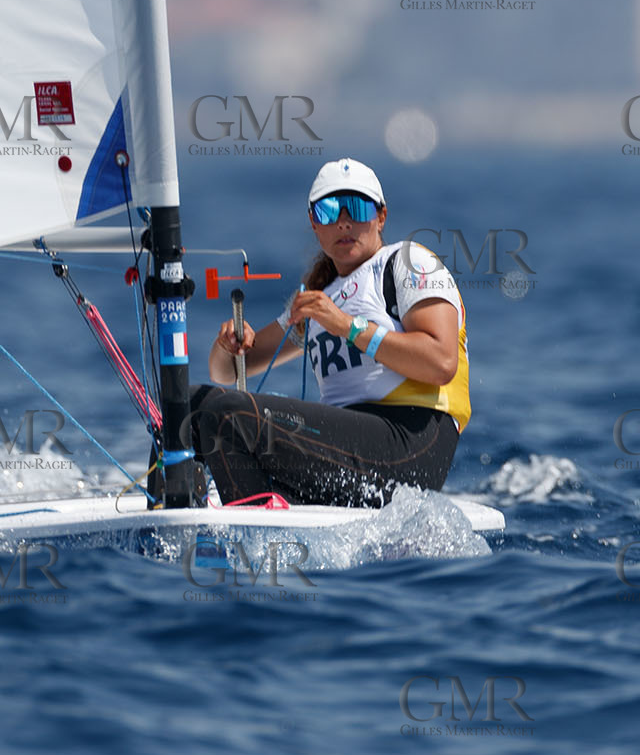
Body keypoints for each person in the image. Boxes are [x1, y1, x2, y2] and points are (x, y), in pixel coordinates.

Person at [186, 158, 470, 507]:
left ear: (380, 217)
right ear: (313, 223)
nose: (343, 222)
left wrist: (348, 328)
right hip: (343, 453)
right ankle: (180, 523)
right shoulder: (320, 294)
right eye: (329, 211)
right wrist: (228, 345)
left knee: (231, 415)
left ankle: (257, 537)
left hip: (412, 442)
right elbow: (226, 372)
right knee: (191, 405)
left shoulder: (410, 262)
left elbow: (441, 363)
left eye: (357, 208)